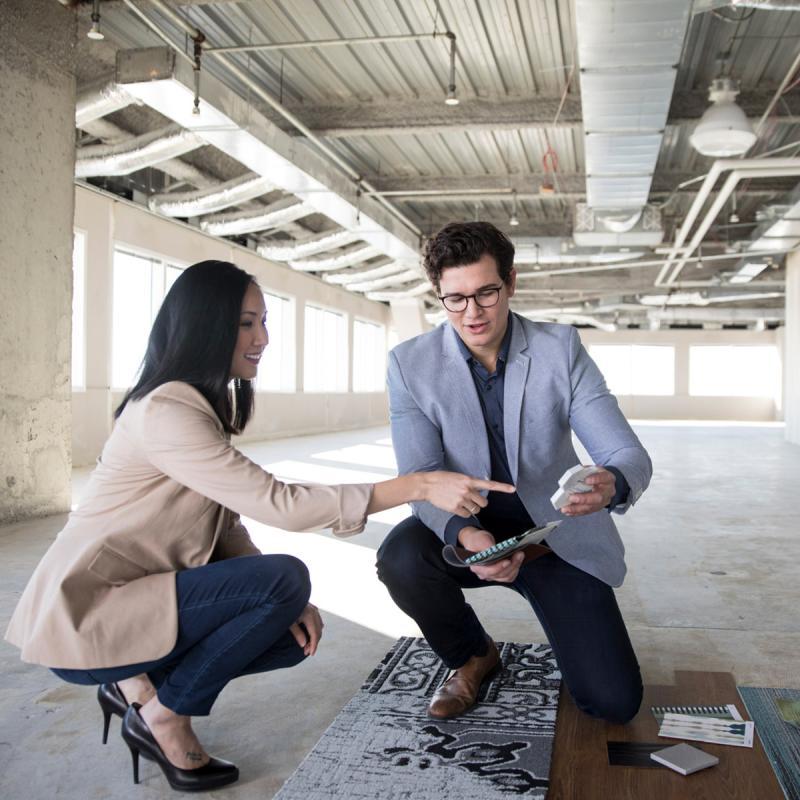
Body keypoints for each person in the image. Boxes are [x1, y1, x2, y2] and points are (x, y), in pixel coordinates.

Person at [4, 260, 514, 793]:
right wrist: (417, 485)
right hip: (88, 613)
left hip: (135, 600)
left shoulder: (198, 403)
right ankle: (162, 716)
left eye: (263, 322)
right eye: (246, 323)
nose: (263, 338)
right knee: (283, 580)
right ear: (205, 324)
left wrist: (285, 603)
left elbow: (223, 524)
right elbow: (281, 504)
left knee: (289, 632)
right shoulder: (166, 410)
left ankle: (136, 682)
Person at [376, 222, 652, 724]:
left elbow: (627, 452)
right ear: (439, 295)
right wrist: (464, 534)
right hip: (472, 527)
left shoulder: (560, 348)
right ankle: (472, 656)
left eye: (486, 292)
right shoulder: (408, 365)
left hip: (555, 536)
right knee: (400, 557)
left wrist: (613, 480)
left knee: (613, 704)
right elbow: (419, 478)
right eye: (454, 299)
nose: (472, 313)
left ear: (511, 283)